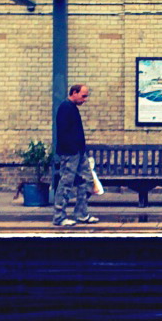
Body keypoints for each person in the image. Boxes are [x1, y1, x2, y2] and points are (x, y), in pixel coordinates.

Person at [53, 83, 99, 226]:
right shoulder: (65, 108)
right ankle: (59, 217)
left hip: (79, 152)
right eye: (83, 96)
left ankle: (81, 213)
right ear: (74, 93)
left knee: (87, 181)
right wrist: (72, 149)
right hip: (70, 153)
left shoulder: (72, 108)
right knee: (66, 184)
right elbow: (63, 132)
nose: (85, 99)